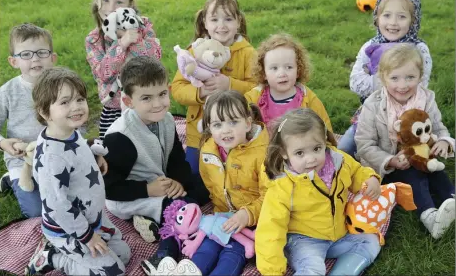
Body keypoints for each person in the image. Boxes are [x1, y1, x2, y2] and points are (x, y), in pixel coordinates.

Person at [102, 56, 205, 271]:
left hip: (161, 182)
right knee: (178, 207)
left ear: (168, 90)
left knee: (205, 185)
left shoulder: (166, 120)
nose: (157, 104)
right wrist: (148, 189)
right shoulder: (120, 137)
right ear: (129, 101)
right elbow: (109, 188)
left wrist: (178, 181)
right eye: (146, 98)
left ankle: (152, 221)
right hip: (130, 194)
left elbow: (176, 157)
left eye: (162, 94)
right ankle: (163, 256)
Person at [26, 67, 130, 276]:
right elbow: (57, 205)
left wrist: (94, 155)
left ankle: (72, 251)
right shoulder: (51, 158)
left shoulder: (67, 131)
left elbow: (75, 151)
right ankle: (51, 258)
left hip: (93, 219)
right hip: (69, 230)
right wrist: (87, 237)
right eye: (65, 102)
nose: (76, 107)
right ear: (45, 112)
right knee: (113, 272)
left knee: (124, 255)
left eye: (80, 99)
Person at [256, 108, 382, 276]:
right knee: (314, 269)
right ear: (284, 153)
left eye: (316, 148)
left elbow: (356, 171)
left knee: (371, 241)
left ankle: (343, 272)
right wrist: (272, 271)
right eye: (300, 153)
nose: (311, 158)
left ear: (324, 142)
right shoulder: (282, 186)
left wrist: (369, 178)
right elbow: (270, 229)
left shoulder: (339, 160)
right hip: (303, 241)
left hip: (338, 236)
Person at [355, 43, 455, 239]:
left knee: (437, 172)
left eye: (410, 77)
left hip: (424, 157)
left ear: (420, 76)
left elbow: (437, 127)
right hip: (393, 166)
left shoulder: (426, 99)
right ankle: (431, 217)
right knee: (415, 179)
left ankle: (450, 198)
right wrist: (389, 160)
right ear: (383, 78)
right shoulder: (374, 105)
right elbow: (364, 143)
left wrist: (443, 141)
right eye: (395, 78)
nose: (403, 85)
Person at [339, 0, 432, 157]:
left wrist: (377, 79)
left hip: (406, 119)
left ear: (413, 20)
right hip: (370, 116)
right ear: (377, 18)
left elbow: (420, 86)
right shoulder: (370, 46)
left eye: (402, 17)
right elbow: (355, 82)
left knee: (409, 161)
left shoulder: (419, 49)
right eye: (387, 15)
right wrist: (389, 82)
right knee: (344, 150)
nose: (393, 23)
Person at [171, 0, 256, 178]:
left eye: (228, 19)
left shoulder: (248, 53)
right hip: (199, 132)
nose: (221, 25)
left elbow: (258, 88)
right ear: (205, 22)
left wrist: (230, 84)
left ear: (238, 22)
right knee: (194, 174)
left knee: (238, 173)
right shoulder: (194, 51)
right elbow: (177, 88)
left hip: (235, 132)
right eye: (214, 19)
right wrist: (199, 91)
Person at [188, 90, 269, 276]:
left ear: (248, 123)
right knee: (207, 248)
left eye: (233, 122)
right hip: (222, 216)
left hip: (252, 221)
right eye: (217, 124)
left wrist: (247, 215)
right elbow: (209, 182)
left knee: (233, 253)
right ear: (209, 127)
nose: (225, 130)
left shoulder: (262, 153)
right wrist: (220, 210)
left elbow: (271, 194)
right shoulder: (208, 149)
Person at [85, 0, 162, 139]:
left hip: (146, 106)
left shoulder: (143, 26)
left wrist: (133, 38)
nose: (111, 8)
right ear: (96, 0)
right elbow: (103, 74)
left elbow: (154, 59)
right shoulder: (94, 40)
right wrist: (121, 44)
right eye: (105, 0)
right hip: (113, 111)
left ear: (131, 4)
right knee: (115, 157)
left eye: (119, 2)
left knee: (150, 151)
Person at [0, 23, 57, 218]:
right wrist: (3, 143)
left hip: (57, 156)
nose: (35, 59)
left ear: (52, 58)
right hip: (22, 161)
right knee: (37, 213)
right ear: (13, 61)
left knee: (72, 203)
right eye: (26, 54)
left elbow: (76, 122)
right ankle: (11, 178)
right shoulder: (7, 92)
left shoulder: (61, 87)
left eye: (41, 53)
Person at [244, 33, 332, 132]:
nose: (282, 73)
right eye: (274, 68)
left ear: (298, 70)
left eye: (289, 67)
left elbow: (325, 129)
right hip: (263, 147)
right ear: (264, 73)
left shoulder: (308, 99)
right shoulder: (253, 98)